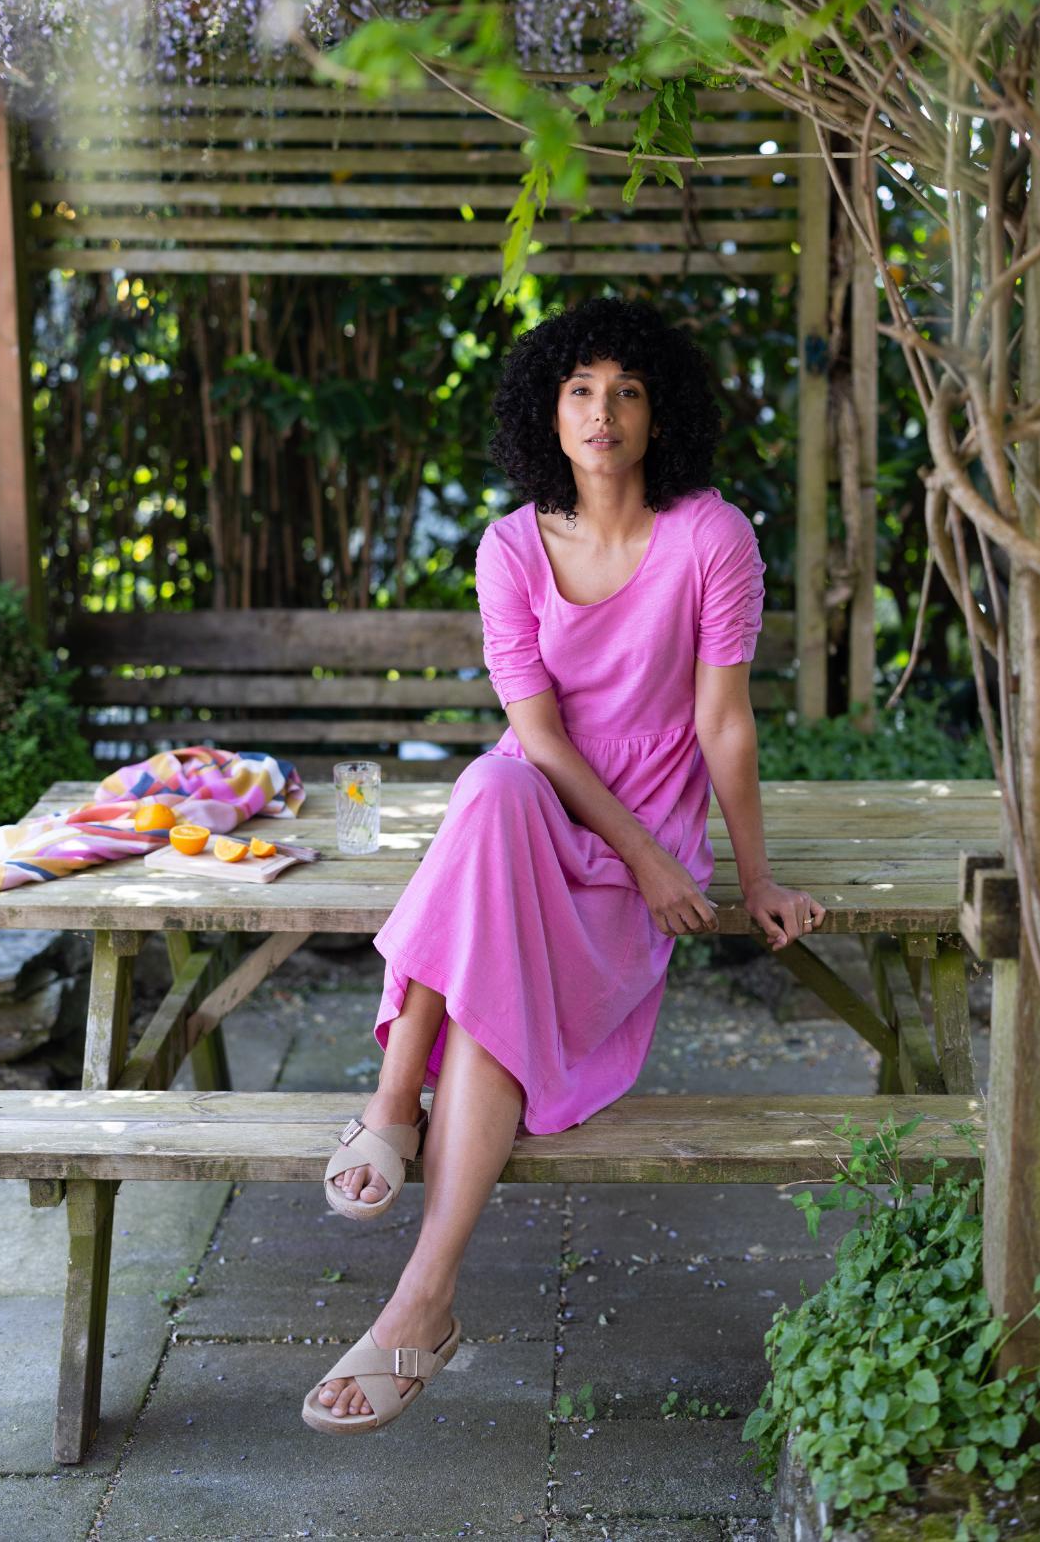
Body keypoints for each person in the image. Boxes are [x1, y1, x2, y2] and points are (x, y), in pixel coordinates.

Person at [302, 296, 827, 1435]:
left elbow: (725, 723)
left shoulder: (712, 538)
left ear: (659, 413)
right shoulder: (509, 548)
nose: (603, 411)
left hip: (643, 836)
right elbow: (535, 737)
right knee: (492, 785)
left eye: (628, 390)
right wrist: (643, 859)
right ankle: (402, 1150)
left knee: (490, 998)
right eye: (581, 389)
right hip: (538, 809)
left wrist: (751, 877)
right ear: (548, 410)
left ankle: (419, 1273)